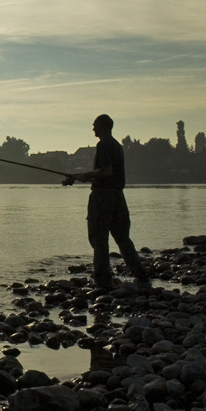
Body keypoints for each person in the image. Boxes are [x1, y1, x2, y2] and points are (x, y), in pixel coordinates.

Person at [62, 114, 150, 288]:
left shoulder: (103, 144)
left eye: (94, 125)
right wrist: (80, 177)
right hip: (118, 196)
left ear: (102, 126)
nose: (92, 128)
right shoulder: (117, 145)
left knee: (99, 238)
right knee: (123, 238)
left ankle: (103, 278)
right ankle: (141, 276)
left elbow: (106, 171)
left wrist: (86, 175)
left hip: (103, 197)